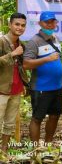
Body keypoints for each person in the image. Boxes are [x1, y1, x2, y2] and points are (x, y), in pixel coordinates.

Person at [23, 11, 62, 146]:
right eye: (46, 22)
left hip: (56, 87)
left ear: (55, 23)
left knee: (55, 116)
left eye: (52, 22)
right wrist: (46, 59)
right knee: (37, 118)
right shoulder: (34, 42)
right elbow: (26, 64)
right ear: (40, 24)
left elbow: (58, 62)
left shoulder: (55, 39)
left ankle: (48, 145)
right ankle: (36, 149)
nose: (49, 25)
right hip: (41, 88)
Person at [0, 13, 28, 152]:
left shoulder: (21, 44)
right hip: (1, 89)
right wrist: (12, 54)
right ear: (10, 24)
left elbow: (21, 67)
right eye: (17, 24)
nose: (20, 27)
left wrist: (25, 84)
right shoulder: (2, 41)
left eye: (23, 25)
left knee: (9, 123)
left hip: (16, 89)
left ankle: (4, 150)